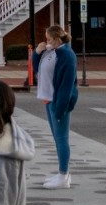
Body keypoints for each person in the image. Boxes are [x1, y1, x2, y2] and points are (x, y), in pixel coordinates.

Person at [32, 24, 78, 188]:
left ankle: (63, 174)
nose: (47, 42)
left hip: (57, 101)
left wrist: (60, 107)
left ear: (57, 39)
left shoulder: (66, 55)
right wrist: (37, 53)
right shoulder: (52, 52)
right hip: (48, 99)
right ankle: (62, 174)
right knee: (57, 139)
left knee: (61, 138)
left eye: (49, 39)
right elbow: (37, 69)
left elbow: (67, 85)